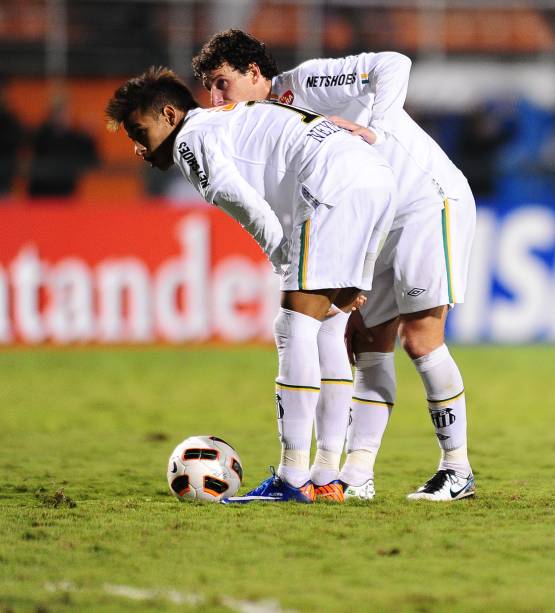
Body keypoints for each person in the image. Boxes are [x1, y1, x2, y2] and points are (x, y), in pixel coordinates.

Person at [191, 29, 477, 501]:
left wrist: (378, 129)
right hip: (372, 219)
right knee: (366, 341)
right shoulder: (256, 126)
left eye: (223, 83)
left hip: (427, 200)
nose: (215, 97)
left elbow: (394, 63)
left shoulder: (304, 85)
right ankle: (357, 475)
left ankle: (456, 468)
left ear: (255, 73)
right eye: (209, 88)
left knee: (421, 335)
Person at [105, 66, 396, 504]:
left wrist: (285, 261)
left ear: (168, 114)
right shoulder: (230, 120)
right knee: (331, 325)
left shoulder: (190, 140)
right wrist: (360, 272)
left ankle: (292, 477)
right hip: (375, 177)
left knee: (293, 325)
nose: (137, 147)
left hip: (332, 180)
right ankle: (327, 477)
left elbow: (244, 203)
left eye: (138, 130)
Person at [28, 95, 100, 198]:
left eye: (66, 114)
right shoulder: (41, 135)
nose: (63, 118)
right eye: (59, 114)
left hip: (65, 192)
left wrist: (90, 138)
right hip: (40, 191)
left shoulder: (75, 138)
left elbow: (93, 160)